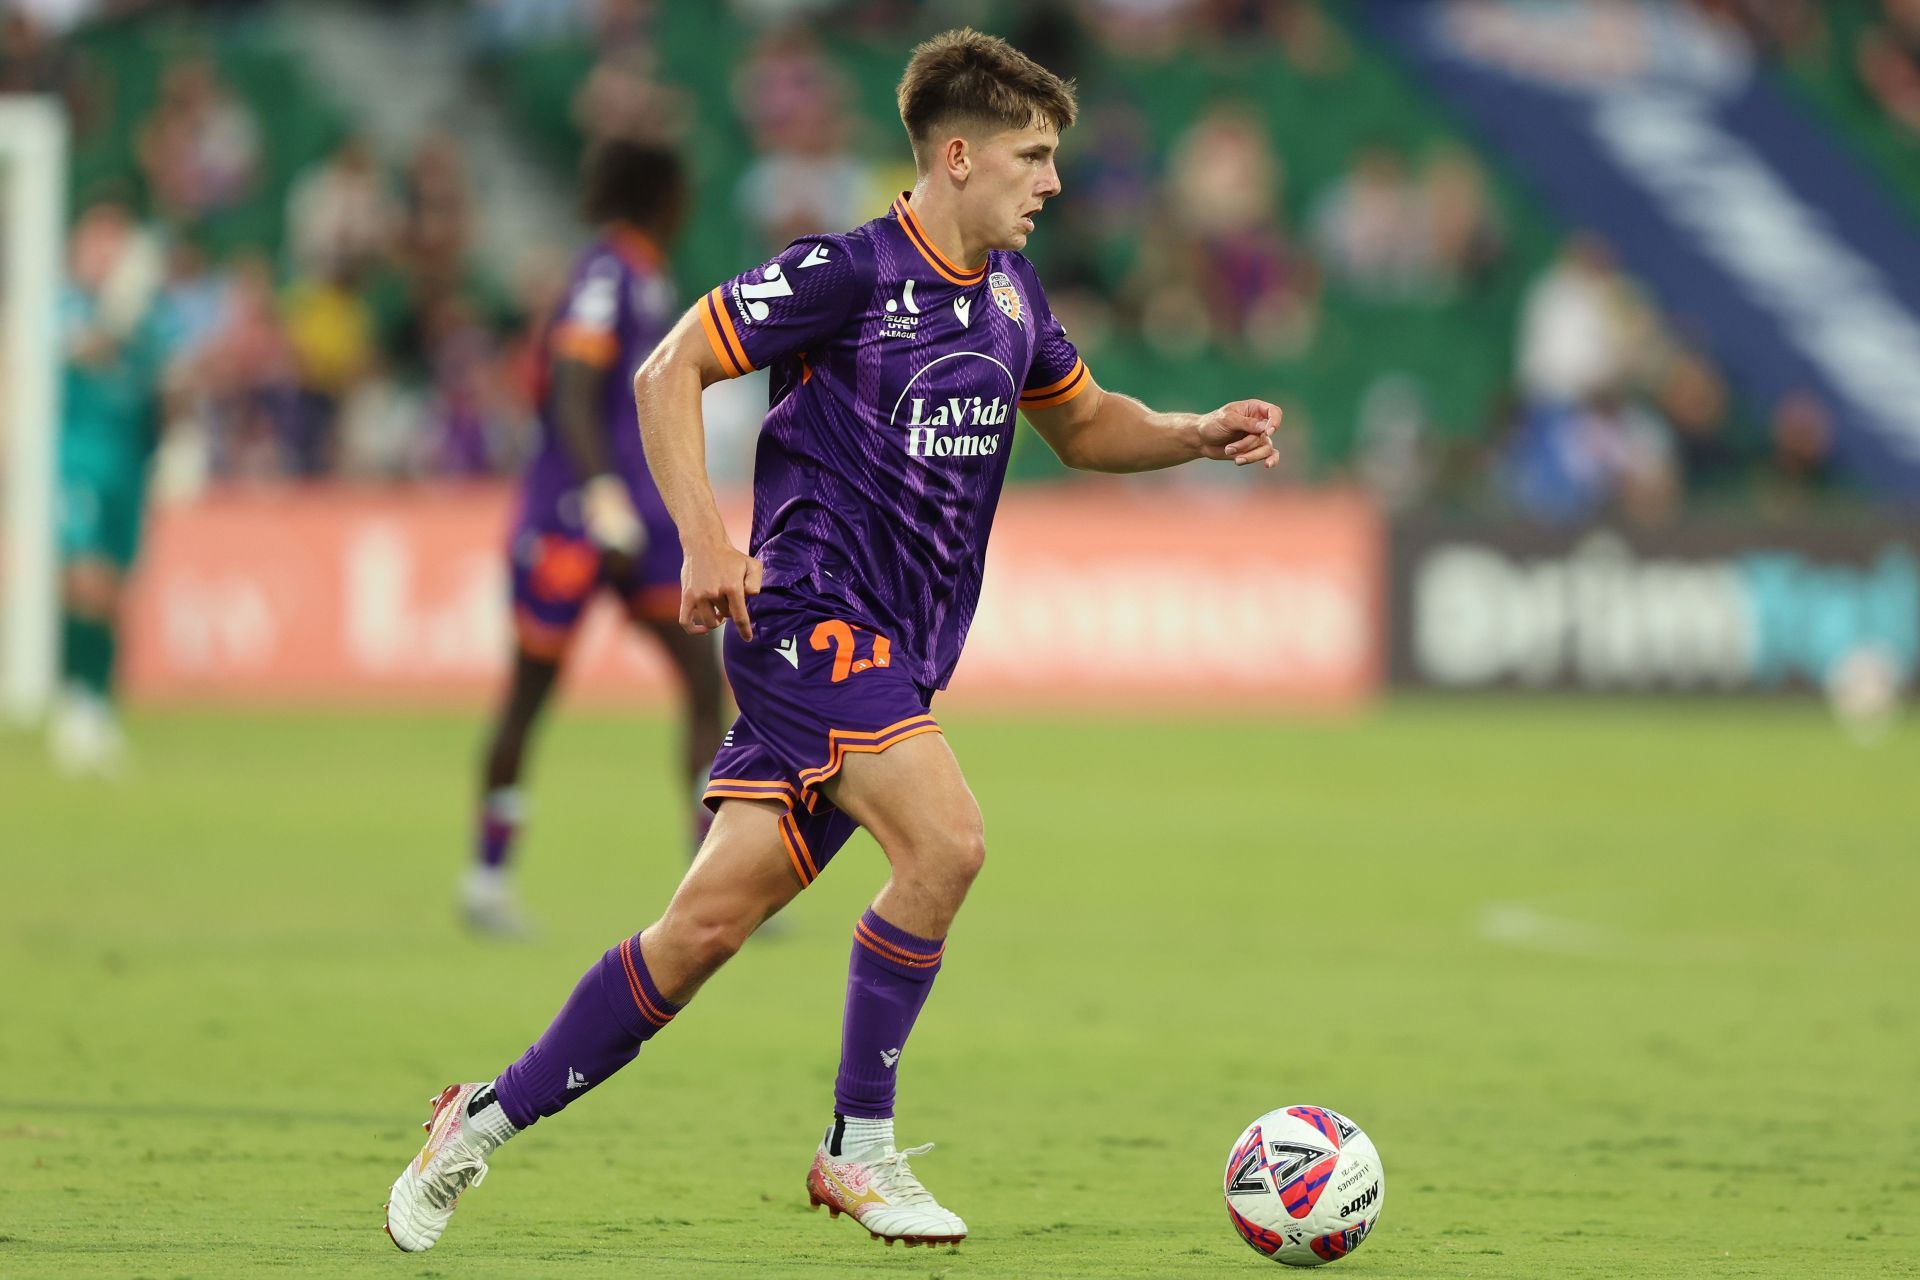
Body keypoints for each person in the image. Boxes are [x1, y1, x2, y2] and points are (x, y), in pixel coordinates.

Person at [385, 28, 1281, 1252]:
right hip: (808, 619)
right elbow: (665, 370)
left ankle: (477, 1117)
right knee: (949, 842)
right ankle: (858, 1146)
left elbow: (1083, 425)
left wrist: (1194, 430)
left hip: (895, 653)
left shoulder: (1014, 296)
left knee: (696, 933)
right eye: (1032, 155)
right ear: (956, 156)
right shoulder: (846, 273)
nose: (1052, 181)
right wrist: (704, 537)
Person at [463, 139, 727, 935]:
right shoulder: (608, 274)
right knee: (532, 692)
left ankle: (713, 884)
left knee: (703, 678)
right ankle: (485, 880)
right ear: (660, 196)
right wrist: (603, 493)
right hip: (575, 520)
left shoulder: (645, 274)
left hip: (639, 521)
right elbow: (573, 391)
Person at [47, 200, 174, 776]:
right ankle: (73, 702)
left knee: (116, 589)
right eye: (96, 242)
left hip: (130, 465)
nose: (105, 254)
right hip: (76, 459)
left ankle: (96, 705)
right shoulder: (62, 303)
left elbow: (161, 387)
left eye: (115, 244)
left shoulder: (144, 319)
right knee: (83, 576)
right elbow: (79, 351)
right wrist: (114, 321)